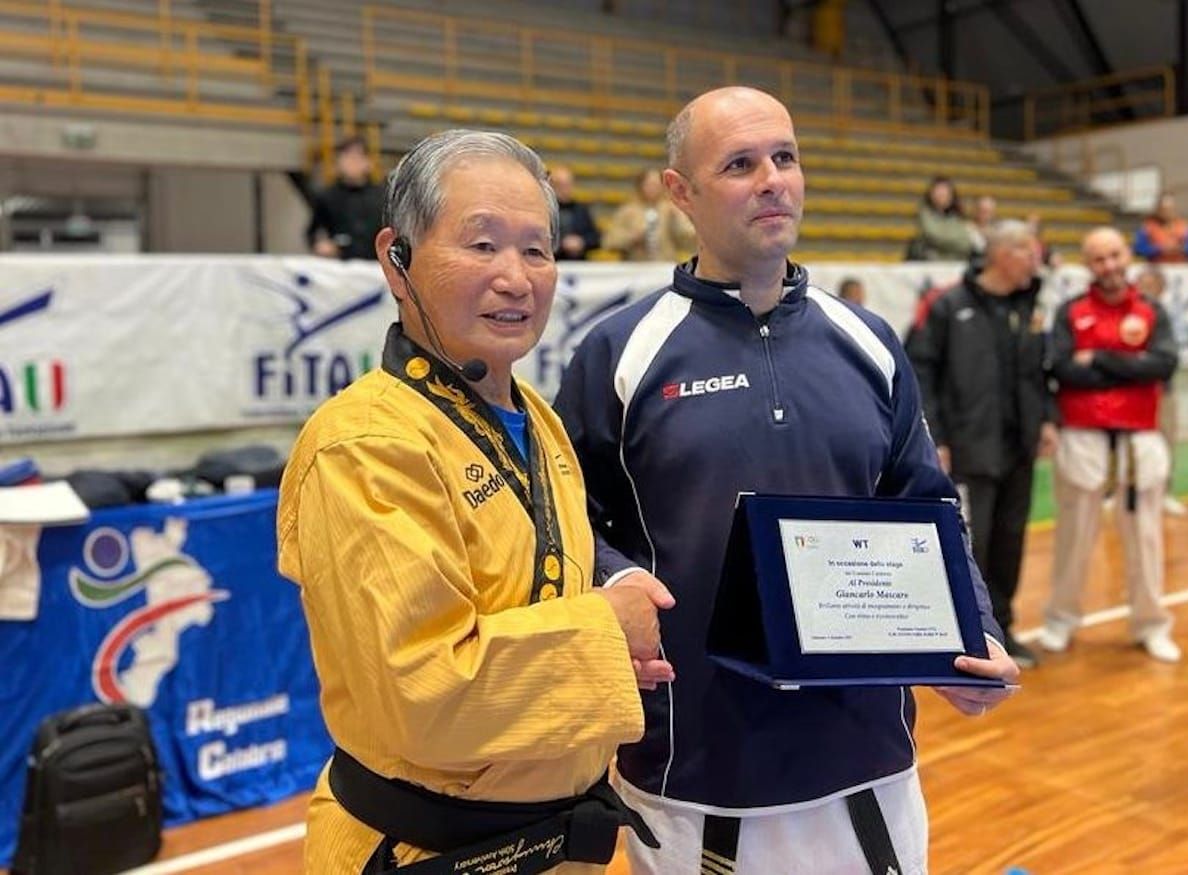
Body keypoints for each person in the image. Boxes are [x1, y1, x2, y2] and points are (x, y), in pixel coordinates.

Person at [555, 86, 1018, 875]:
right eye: (740, 164)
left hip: (868, 763)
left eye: (785, 157)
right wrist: (620, 579)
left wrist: (973, 635)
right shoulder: (619, 353)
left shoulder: (867, 341)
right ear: (680, 192)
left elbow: (925, 505)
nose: (773, 179)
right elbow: (564, 521)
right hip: (695, 773)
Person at [277, 129, 675, 874]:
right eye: (482, 244)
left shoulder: (539, 419)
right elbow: (423, 691)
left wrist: (612, 636)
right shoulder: (363, 443)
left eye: (537, 249)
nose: (516, 277)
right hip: (424, 849)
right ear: (397, 259)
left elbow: (533, 586)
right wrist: (602, 634)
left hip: (560, 840)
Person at [907, 220, 1059, 669]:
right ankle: (970, 635)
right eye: (1027, 250)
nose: (1036, 259)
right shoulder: (949, 305)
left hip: (1019, 447)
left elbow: (1038, 372)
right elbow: (921, 372)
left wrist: (1046, 420)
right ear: (999, 253)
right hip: (971, 449)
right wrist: (937, 435)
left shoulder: (1029, 306)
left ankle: (1004, 631)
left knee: (1011, 541)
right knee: (974, 544)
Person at [1041, 227, 1181, 663]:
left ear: (1127, 255)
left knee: (1145, 538)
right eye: (1099, 259)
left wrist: (1099, 358)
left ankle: (1151, 623)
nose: (1110, 266)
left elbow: (1163, 363)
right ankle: (1060, 620)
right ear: (1088, 264)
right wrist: (1129, 366)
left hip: (1140, 436)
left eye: (1115, 255)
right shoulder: (1072, 311)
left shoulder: (1151, 309)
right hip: (1083, 434)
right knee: (1074, 536)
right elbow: (1063, 368)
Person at [1135, 265, 1187, 516]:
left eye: (1151, 283)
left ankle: (1165, 492)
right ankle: (1117, 491)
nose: (1146, 288)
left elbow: (1169, 356)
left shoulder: (1168, 316)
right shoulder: (1128, 313)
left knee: (1165, 440)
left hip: (1162, 389)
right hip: (1132, 390)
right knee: (1125, 444)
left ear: (1161, 287)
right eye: (1141, 283)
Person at [306, 135, 386, 260]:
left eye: (357, 158)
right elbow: (314, 231)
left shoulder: (383, 196)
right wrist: (320, 244)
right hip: (339, 268)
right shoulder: (327, 197)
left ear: (368, 163)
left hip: (376, 266)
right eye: (347, 157)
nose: (352, 163)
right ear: (338, 162)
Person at [602, 167, 695, 261]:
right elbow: (609, 241)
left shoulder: (670, 209)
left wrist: (677, 218)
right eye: (649, 184)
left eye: (656, 185)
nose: (653, 188)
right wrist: (631, 238)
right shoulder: (627, 211)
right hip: (635, 266)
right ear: (640, 186)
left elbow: (689, 238)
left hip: (665, 265)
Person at [908, 175, 974, 262]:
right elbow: (934, 235)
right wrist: (955, 242)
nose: (942, 195)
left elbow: (966, 243)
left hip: (955, 265)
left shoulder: (956, 217)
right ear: (931, 194)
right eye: (939, 191)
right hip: (931, 264)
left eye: (946, 192)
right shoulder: (924, 214)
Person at [549, 164, 601, 260]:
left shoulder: (581, 210)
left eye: (568, 184)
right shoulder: (545, 210)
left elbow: (596, 238)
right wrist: (561, 244)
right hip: (554, 260)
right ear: (551, 186)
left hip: (579, 264)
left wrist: (582, 242)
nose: (565, 189)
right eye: (560, 185)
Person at [1133, 192, 1188, 263]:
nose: (1167, 212)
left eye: (1170, 209)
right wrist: (1160, 249)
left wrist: (1181, 248)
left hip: (1181, 268)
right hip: (1156, 269)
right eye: (1164, 209)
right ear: (1158, 209)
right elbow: (1138, 249)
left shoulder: (1184, 226)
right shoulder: (1148, 227)